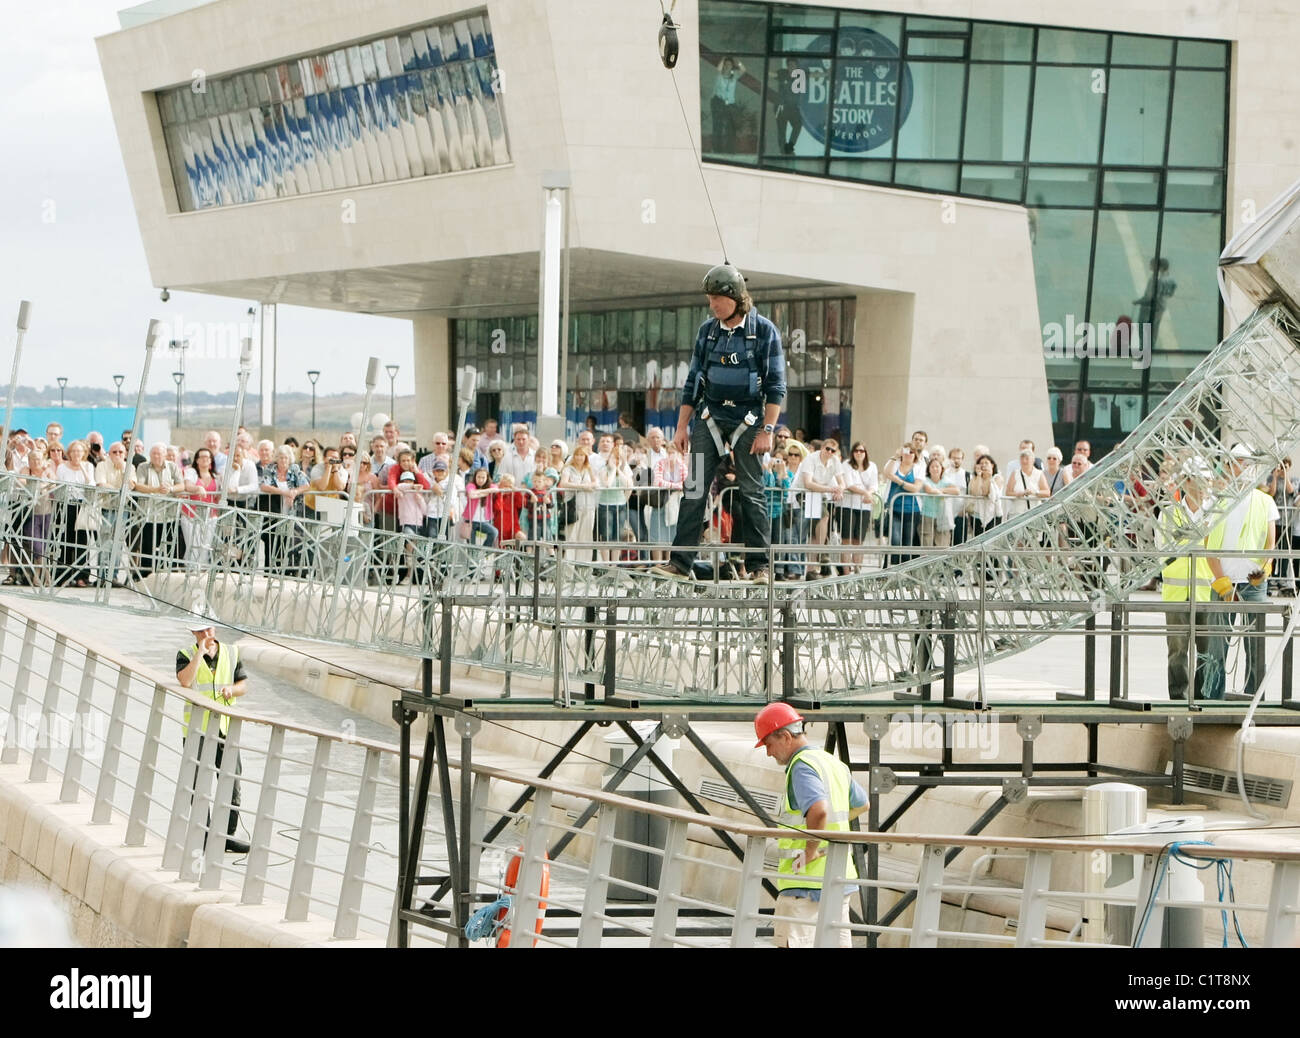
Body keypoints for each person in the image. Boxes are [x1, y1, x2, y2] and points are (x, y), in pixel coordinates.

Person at [652, 263, 785, 583]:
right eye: (709, 299)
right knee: (694, 488)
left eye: (717, 299)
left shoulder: (764, 331)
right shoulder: (708, 331)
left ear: (737, 298)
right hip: (709, 416)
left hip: (749, 419)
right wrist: (682, 427)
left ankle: (759, 567)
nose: (712, 305)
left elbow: (776, 385)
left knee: (752, 491)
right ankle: (680, 563)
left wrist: (768, 430)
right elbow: (693, 381)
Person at [754, 703, 866, 948]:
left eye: (768, 744)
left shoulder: (801, 766)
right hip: (839, 877)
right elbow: (862, 804)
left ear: (785, 736)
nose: (768, 753)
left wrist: (810, 850)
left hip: (805, 882)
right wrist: (827, 829)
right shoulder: (832, 762)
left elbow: (819, 809)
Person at [1204, 444, 1279, 699]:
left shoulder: (1265, 501)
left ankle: (1254, 698)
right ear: (1229, 466)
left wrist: (1265, 566)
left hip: (1253, 583)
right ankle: (1213, 699)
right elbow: (1209, 546)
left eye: (1248, 463)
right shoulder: (1218, 502)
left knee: (1255, 646)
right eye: (1239, 462)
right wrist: (1222, 581)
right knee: (1217, 647)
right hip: (1224, 582)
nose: (1245, 468)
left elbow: (1271, 542)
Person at [176, 621, 250, 855]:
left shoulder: (231, 652)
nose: (206, 634)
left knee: (232, 784)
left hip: (225, 729)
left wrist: (231, 689)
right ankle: (204, 836)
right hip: (197, 730)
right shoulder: (185, 654)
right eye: (200, 631)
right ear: (193, 633)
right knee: (198, 785)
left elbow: (243, 685)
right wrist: (200, 652)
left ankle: (226, 837)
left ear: (215, 629)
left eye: (209, 629)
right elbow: (185, 681)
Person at [1160, 460, 1215, 700]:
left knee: (1206, 651)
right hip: (1176, 593)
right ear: (1187, 481)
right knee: (1178, 649)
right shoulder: (1169, 513)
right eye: (1202, 480)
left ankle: (1202, 697)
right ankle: (1178, 697)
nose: (1206, 486)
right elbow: (1162, 550)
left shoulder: (1214, 514)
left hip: (1206, 590)